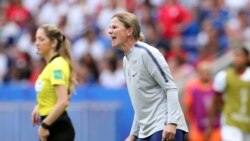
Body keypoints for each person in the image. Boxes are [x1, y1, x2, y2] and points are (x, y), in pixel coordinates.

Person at [108, 12, 188, 141]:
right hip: (145, 132)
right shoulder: (125, 61)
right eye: (109, 27)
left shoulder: (147, 53)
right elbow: (140, 104)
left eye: (114, 27)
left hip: (164, 127)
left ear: (129, 31)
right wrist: (133, 134)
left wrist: (172, 122)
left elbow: (171, 87)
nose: (109, 31)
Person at [31, 24, 77, 141]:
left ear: (53, 43)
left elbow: (63, 101)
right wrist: (39, 106)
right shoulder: (51, 65)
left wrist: (44, 125)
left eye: (41, 39)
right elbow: (53, 94)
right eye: (36, 39)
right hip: (52, 126)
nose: (37, 43)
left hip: (57, 127)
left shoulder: (57, 65)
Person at [211, 47, 250, 141]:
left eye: (241, 56)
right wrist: (211, 122)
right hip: (230, 122)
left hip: (247, 122)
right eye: (236, 56)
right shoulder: (223, 76)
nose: (237, 59)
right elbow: (216, 100)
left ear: (247, 58)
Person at [183, 61, 221, 141]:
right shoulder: (192, 88)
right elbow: (187, 106)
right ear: (199, 73)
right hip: (197, 127)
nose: (206, 74)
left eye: (208, 72)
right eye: (204, 72)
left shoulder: (216, 87)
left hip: (215, 126)